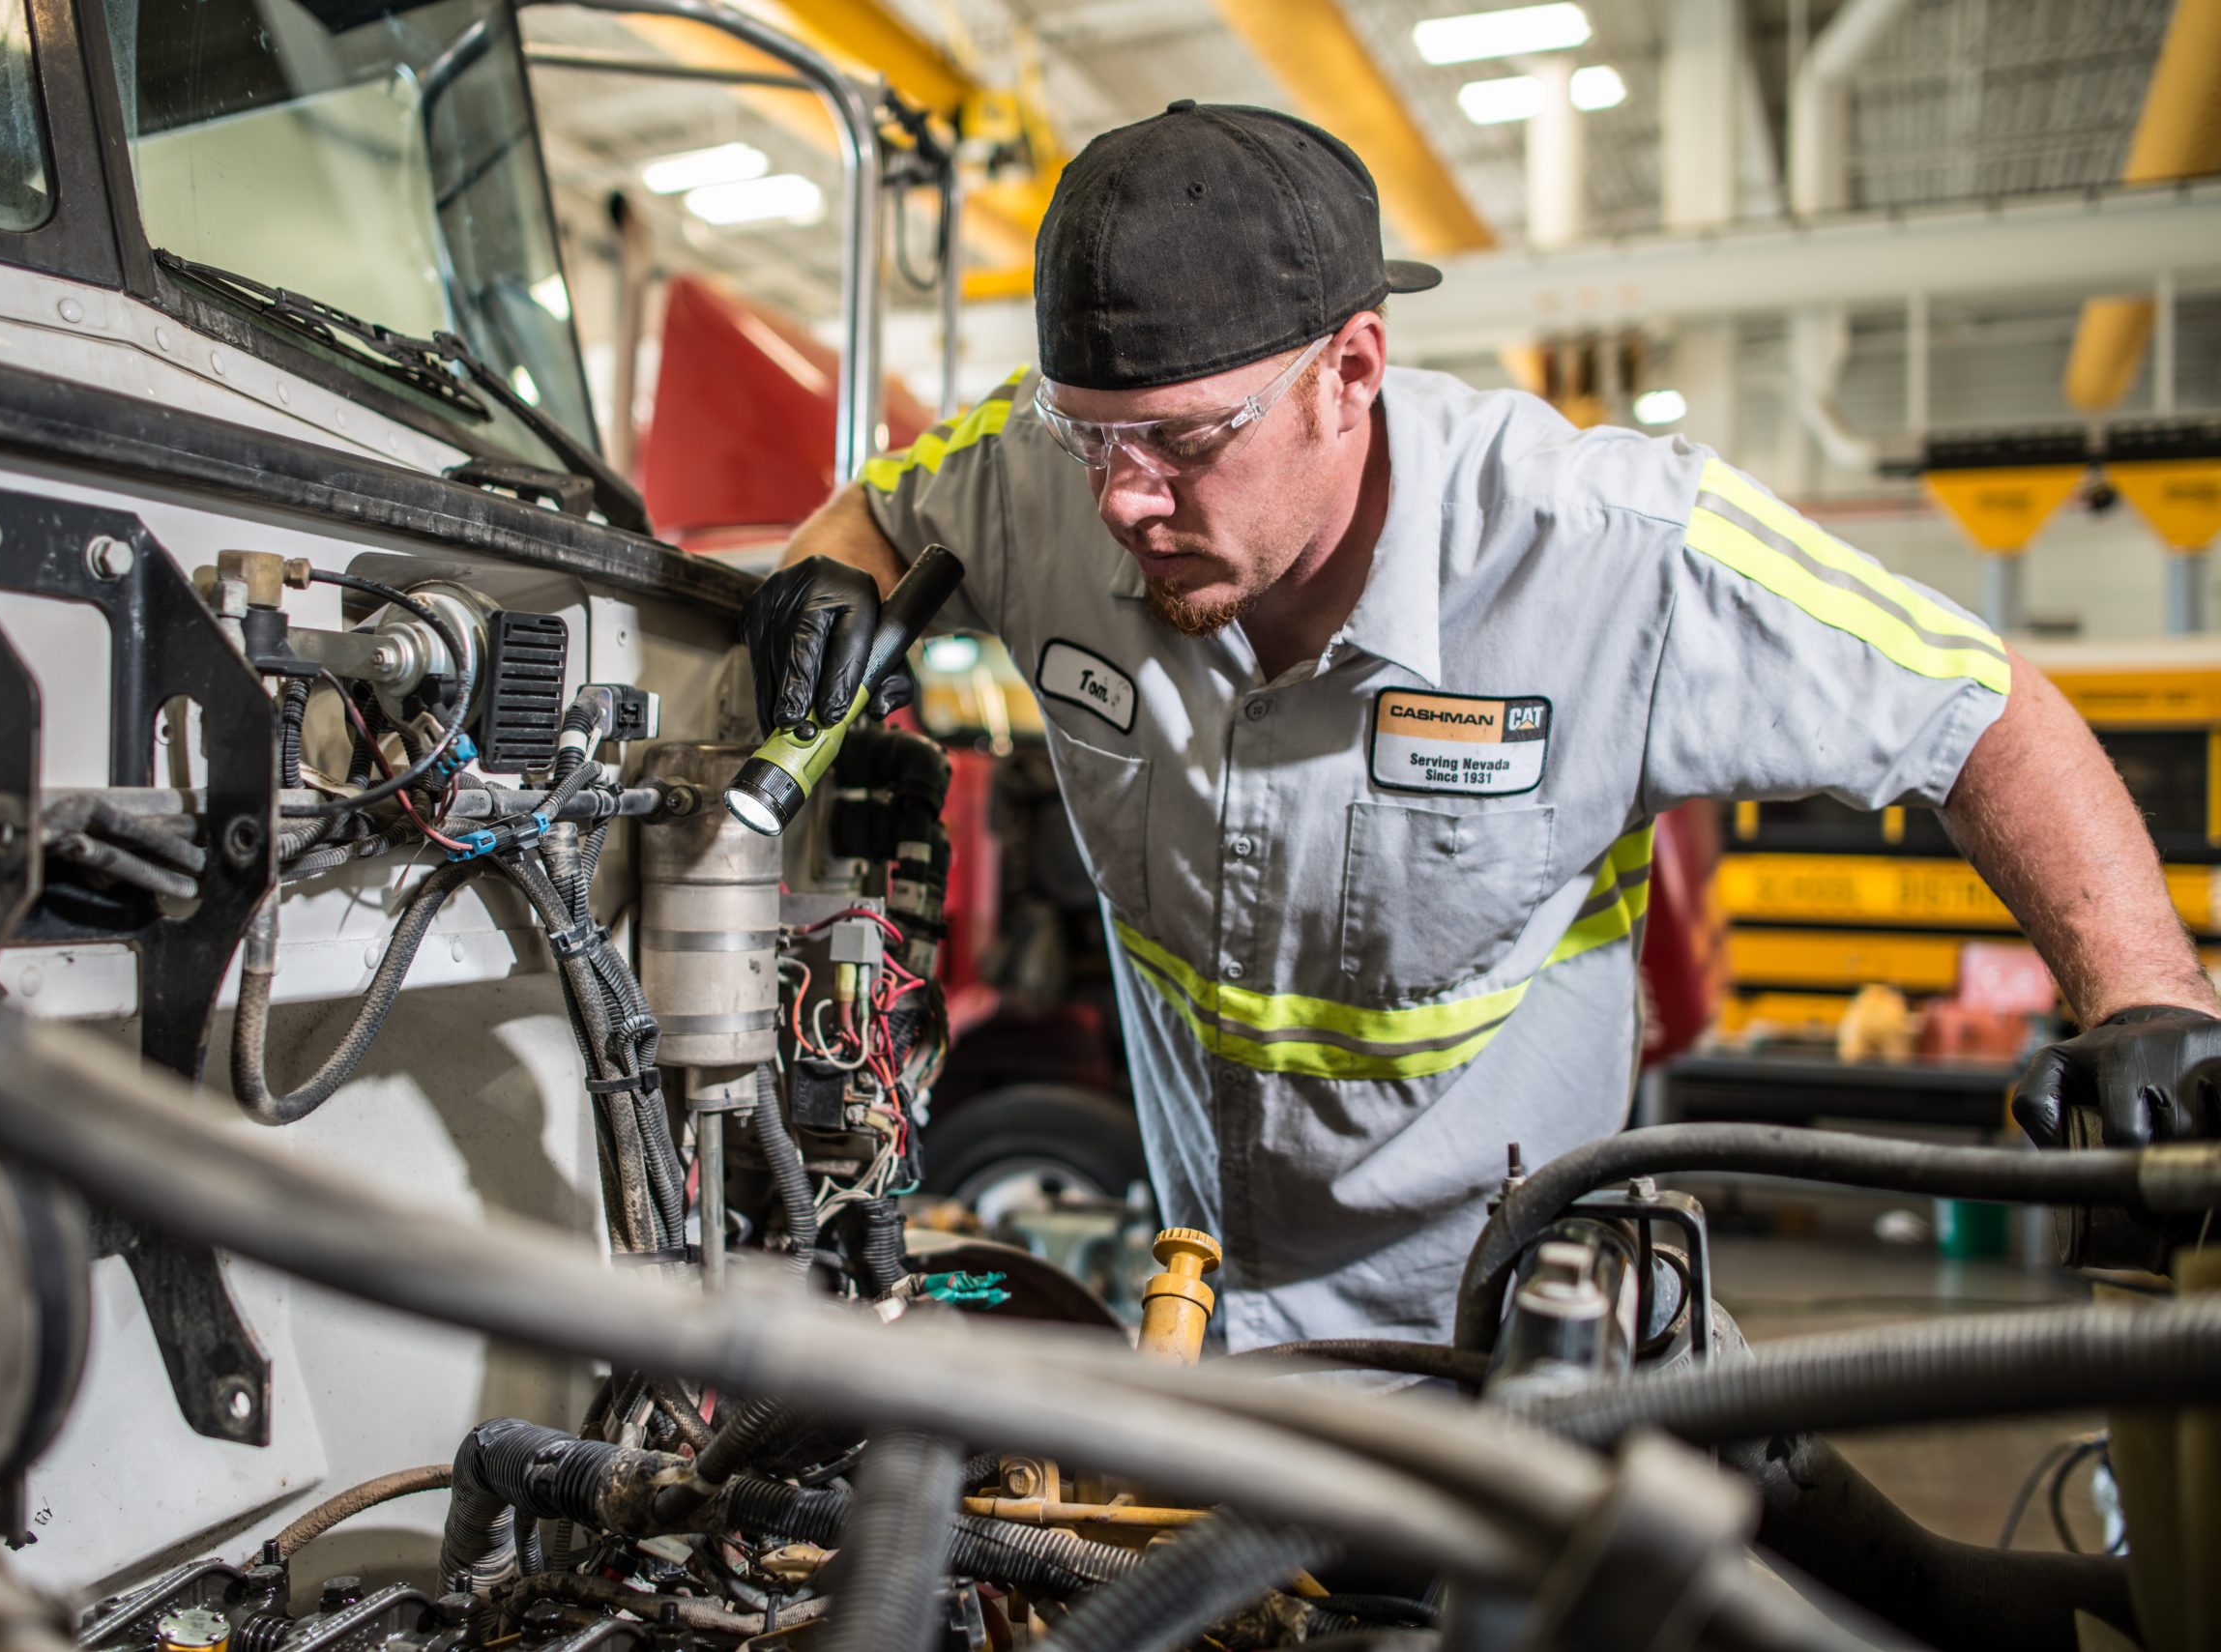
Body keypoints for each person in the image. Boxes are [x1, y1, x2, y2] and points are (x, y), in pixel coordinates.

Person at [743, 101, 2221, 1349]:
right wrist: (831, 569)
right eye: (1092, 437)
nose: (1125, 500)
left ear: (1354, 372)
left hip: (1526, 1336)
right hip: (1228, 1333)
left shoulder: (1609, 552)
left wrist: (2147, 999)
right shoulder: (1037, 473)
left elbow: (1983, 709)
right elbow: (885, 502)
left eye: (1186, 444)